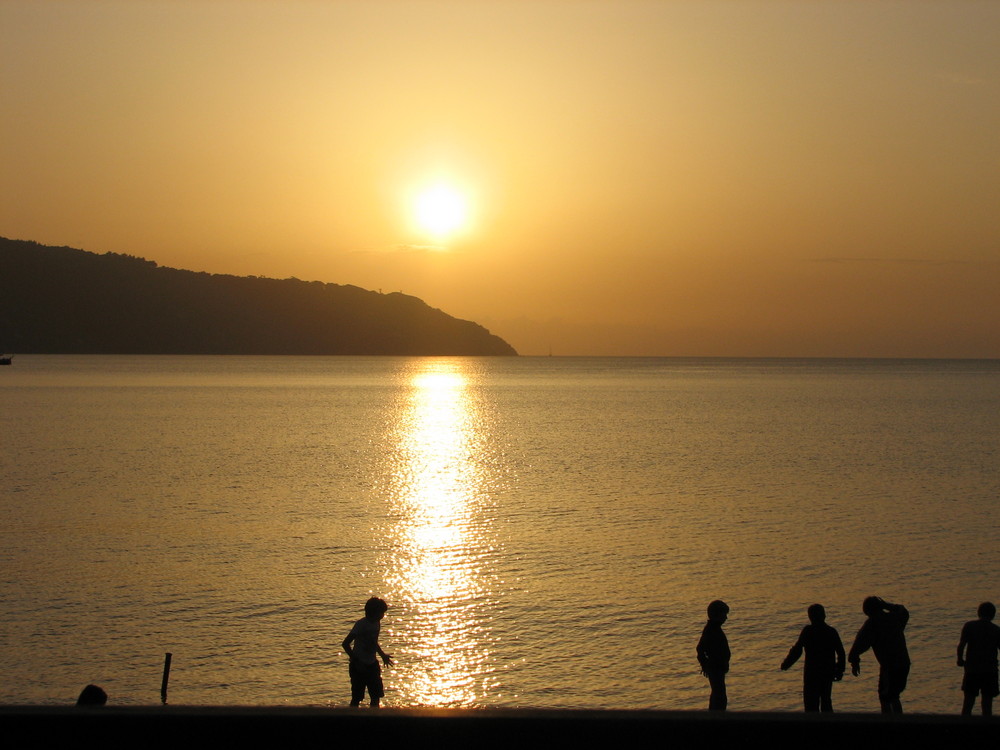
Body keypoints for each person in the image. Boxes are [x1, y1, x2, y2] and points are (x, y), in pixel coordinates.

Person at [847, 596, 910, 713]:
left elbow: (858, 646)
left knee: (887, 696)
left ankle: (891, 722)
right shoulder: (894, 618)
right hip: (904, 664)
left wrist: (854, 661)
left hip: (890, 666)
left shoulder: (871, 624)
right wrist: (887, 605)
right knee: (893, 695)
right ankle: (898, 720)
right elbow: (903, 611)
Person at [780, 603, 846, 712]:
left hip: (812, 673)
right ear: (824, 616)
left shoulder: (808, 631)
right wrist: (839, 670)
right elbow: (841, 653)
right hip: (826, 672)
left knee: (811, 705)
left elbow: (797, 650)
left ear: (810, 617)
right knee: (826, 702)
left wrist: (787, 664)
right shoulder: (831, 632)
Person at [342, 596, 393, 707]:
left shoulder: (376, 623)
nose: (382, 616)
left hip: (372, 664)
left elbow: (373, 642)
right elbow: (345, 644)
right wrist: (356, 661)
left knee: (376, 696)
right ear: (373, 612)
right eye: (381, 613)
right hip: (358, 666)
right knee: (357, 697)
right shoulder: (361, 624)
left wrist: (382, 655)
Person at [956, 601, 1000, 717]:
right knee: (987, 705)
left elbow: (961, 645)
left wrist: (960, 660)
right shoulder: (996, 630)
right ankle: (987, 730)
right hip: (990, 670)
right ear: (993, 615)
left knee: (968, 703)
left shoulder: (969, 626)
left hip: (972, 669)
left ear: (978, 613)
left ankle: (963, 728)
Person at [696, 599, 731, 711]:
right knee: (719, 696)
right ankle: (715, 718)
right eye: (724, 614)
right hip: (716, 669)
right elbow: (700, 649)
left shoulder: (714, 629)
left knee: (719, 696)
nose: (726, 618)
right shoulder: (711, 630)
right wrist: (706, 665)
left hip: (719, 669)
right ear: (717, 615)